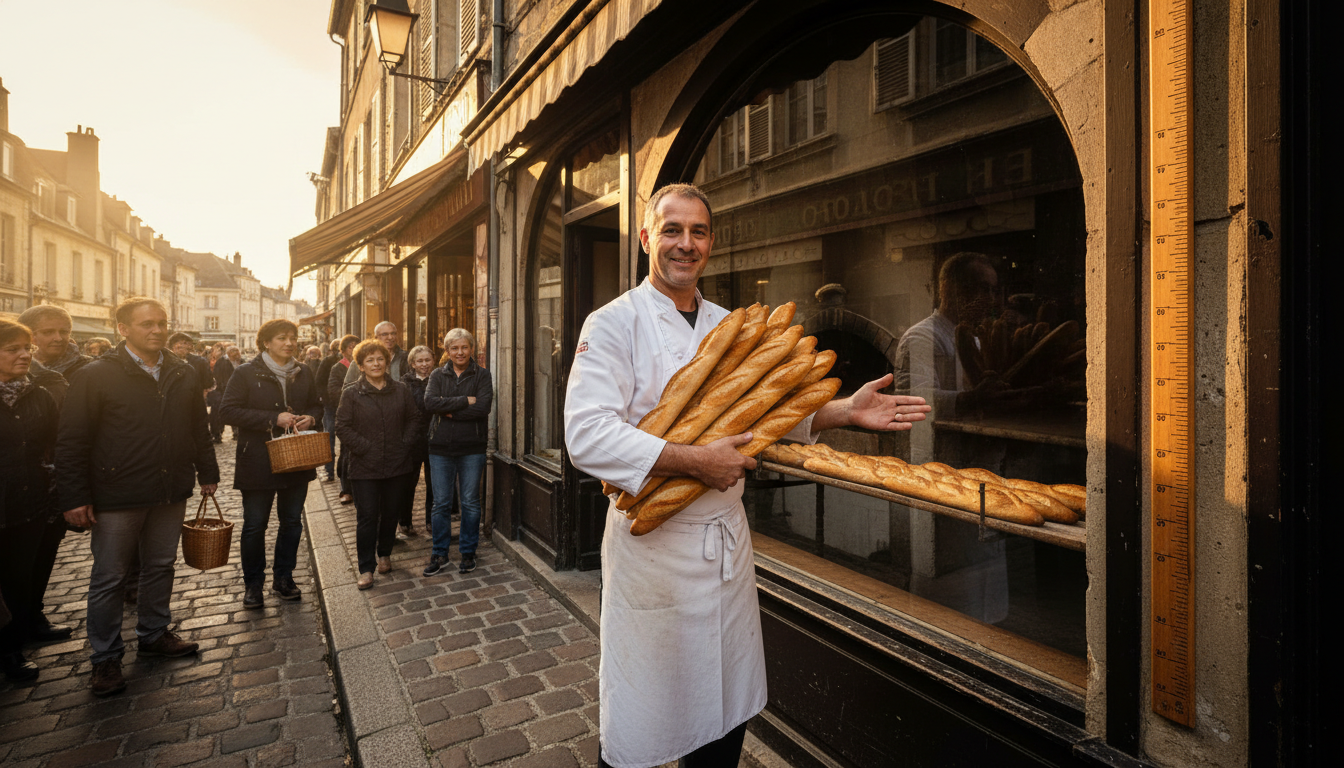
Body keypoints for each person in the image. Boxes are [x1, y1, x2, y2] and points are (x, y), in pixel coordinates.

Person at [562, 184, 930, 768]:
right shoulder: (613, 324)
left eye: (698, 232)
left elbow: (765, 416)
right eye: (672, 230)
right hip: (654, 553)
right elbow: (586, 435)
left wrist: (841, 412)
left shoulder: (733, 325)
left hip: (727, 551)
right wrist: (693, 460)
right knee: (641, 720)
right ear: (645, 238)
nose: (686, 244)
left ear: (711, 242)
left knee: (725, 715)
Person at [56, 297, 219, 697]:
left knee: (160, 565)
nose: (157, 330)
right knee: (110, 577)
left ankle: (153, 633)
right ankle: (106, 658)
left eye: (162, 323)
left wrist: (208, 471)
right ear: (122, 329)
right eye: (147, 324)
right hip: (117, 491)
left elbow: (199, 425)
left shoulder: (182, 371)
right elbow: (72, 439)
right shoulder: (96, 374)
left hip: (169, 488)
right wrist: (75, 495)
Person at [219, 320, 324, 609]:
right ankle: (253, 585)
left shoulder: (304, 372)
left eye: (293, 338)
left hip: (296, 458)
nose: (289, 343)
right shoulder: (245, 372)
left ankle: (284, 578)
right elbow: (227, 410)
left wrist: (311, 418)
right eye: (281, 338)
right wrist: (271, 418)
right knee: (255, 525)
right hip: (258, 460)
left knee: (291, 522)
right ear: (266, 342)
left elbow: (318, 404)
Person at [16, 305, 93, 643]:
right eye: (48, 332)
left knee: (45, 550)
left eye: (64, 330)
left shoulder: (84, 369)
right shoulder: (15, 372)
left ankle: (32, 615)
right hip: (17, 479)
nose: (58, 338)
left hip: (56, 480)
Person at [0, 319, 60, 681]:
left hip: (30, 504)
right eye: (13, 349)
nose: (24, 355)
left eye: (27, 348)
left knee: (18, 580)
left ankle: (12, 650)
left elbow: (56, 443)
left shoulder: (38, 394)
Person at [335, 339, 419, 590]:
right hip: (364, 466)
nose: (375, 364)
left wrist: (403, 444)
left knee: (391, 512)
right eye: (369, 360)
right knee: (367, 516)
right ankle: (366, 567)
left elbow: (414, 419)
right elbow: (342, 426)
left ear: (387, 362)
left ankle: (384, 554)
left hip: (397, 463)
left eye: (380, 359)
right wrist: (364, 448)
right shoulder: (351, 392)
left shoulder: (401, 389)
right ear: (360, 365)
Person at [422, 329, 493, 577]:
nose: (460, 352)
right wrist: (465, 400)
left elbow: (483, 408)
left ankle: (468, 551)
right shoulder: (437, 375)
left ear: (471, 349)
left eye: (464, 347)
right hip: (440, 448)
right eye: (455, 348)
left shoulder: (482, 375)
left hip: (472, 448)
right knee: (441, 504)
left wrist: (448, 408)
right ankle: (440, 553)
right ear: (447, 351)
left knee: (470, 503)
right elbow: (430, 403)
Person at [400, 345, 436, 538]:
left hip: (434, 438)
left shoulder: (438, 379)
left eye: (427, 360)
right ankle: (405, 521)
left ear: (433, 361)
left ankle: (431, 520)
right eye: (420, 361)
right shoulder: (404, 384)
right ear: (412, 363)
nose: (424, 364)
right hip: (412, 440)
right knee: (408, 482)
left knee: (434, 483)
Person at [328, 334, 360, 503]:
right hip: (347, 413)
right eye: (350, 347)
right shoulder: (338, 367)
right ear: (344, 350)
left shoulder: (365, 363)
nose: (354, 349)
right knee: (347, 453)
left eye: (357, 345)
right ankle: (345, 489)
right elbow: (332, 390)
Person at [343, 321, 408, 385]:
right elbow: (348, 387)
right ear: (376, 337)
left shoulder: (405, 358)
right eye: (385, 334)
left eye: (393, 333)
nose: (390, 337)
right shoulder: (361, 359)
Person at [315, 339, 342, 482]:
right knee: (329, 435)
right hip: (330, 405)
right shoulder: (327, 362)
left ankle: (343, 471)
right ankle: (329, 470)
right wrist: (325, 399)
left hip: (346, 405)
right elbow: (319, 382)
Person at [169, 332, 214, 400]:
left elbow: (208, 383)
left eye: (188, 344)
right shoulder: (163, 361)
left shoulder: (200, 362)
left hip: (193, 402)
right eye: (183, 343)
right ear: (174, 346)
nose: (187, 346)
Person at [209, 344, 236, 443]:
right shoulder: (221, 361)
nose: (215, 352)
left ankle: (217, 434)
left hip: (222, 391)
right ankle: (217, 434)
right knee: (217, 414)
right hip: (220, 391)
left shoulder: (224, 362)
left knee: (218, 414)